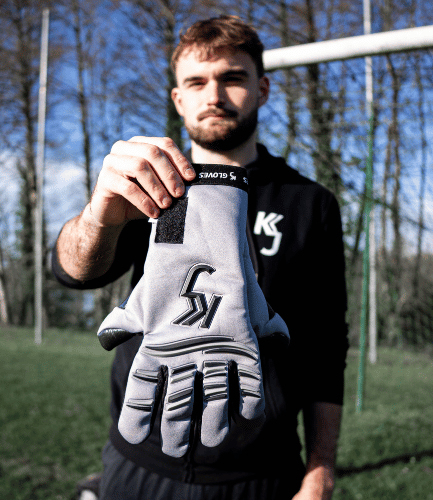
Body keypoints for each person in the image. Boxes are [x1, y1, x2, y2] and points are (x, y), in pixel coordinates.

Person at [53, 15, 348, 500]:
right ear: (178, 99)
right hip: (138, 462)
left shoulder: (309, 202)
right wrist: (97, 217)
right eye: (196, 82)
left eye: (232, 77)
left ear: (262, 89)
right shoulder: (150, 184)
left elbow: (325, 345)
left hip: (262, 471)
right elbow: (74, 272)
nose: (214, 95)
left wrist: (321, 470)